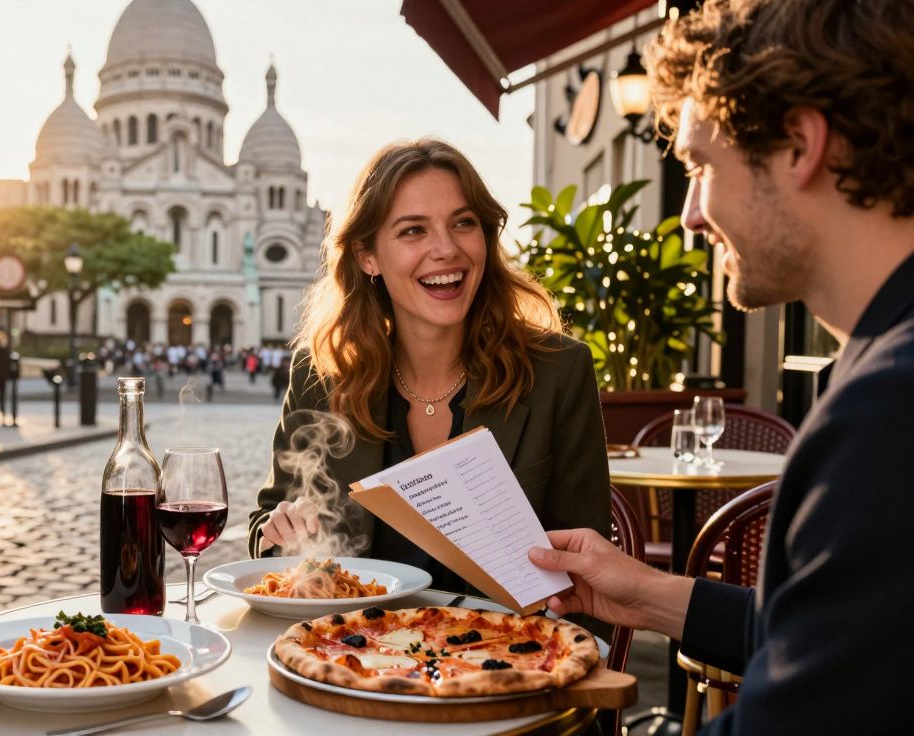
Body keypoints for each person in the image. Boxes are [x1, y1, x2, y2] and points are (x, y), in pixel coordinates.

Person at [525, 2, 914, 733]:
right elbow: (837, 644)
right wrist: (644, 593)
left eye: (701, 166)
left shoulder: (885, 413)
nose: (691, 215)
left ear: (800, 145)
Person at [247, 138, 611, 601]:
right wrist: (281, 533)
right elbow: (267, 525)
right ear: (367, 255)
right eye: (413, 231)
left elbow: (588, 569)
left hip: (506, 660)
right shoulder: (320, 373)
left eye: (463, 223)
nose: (446, 250)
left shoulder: (559, 370)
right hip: (347, 658)